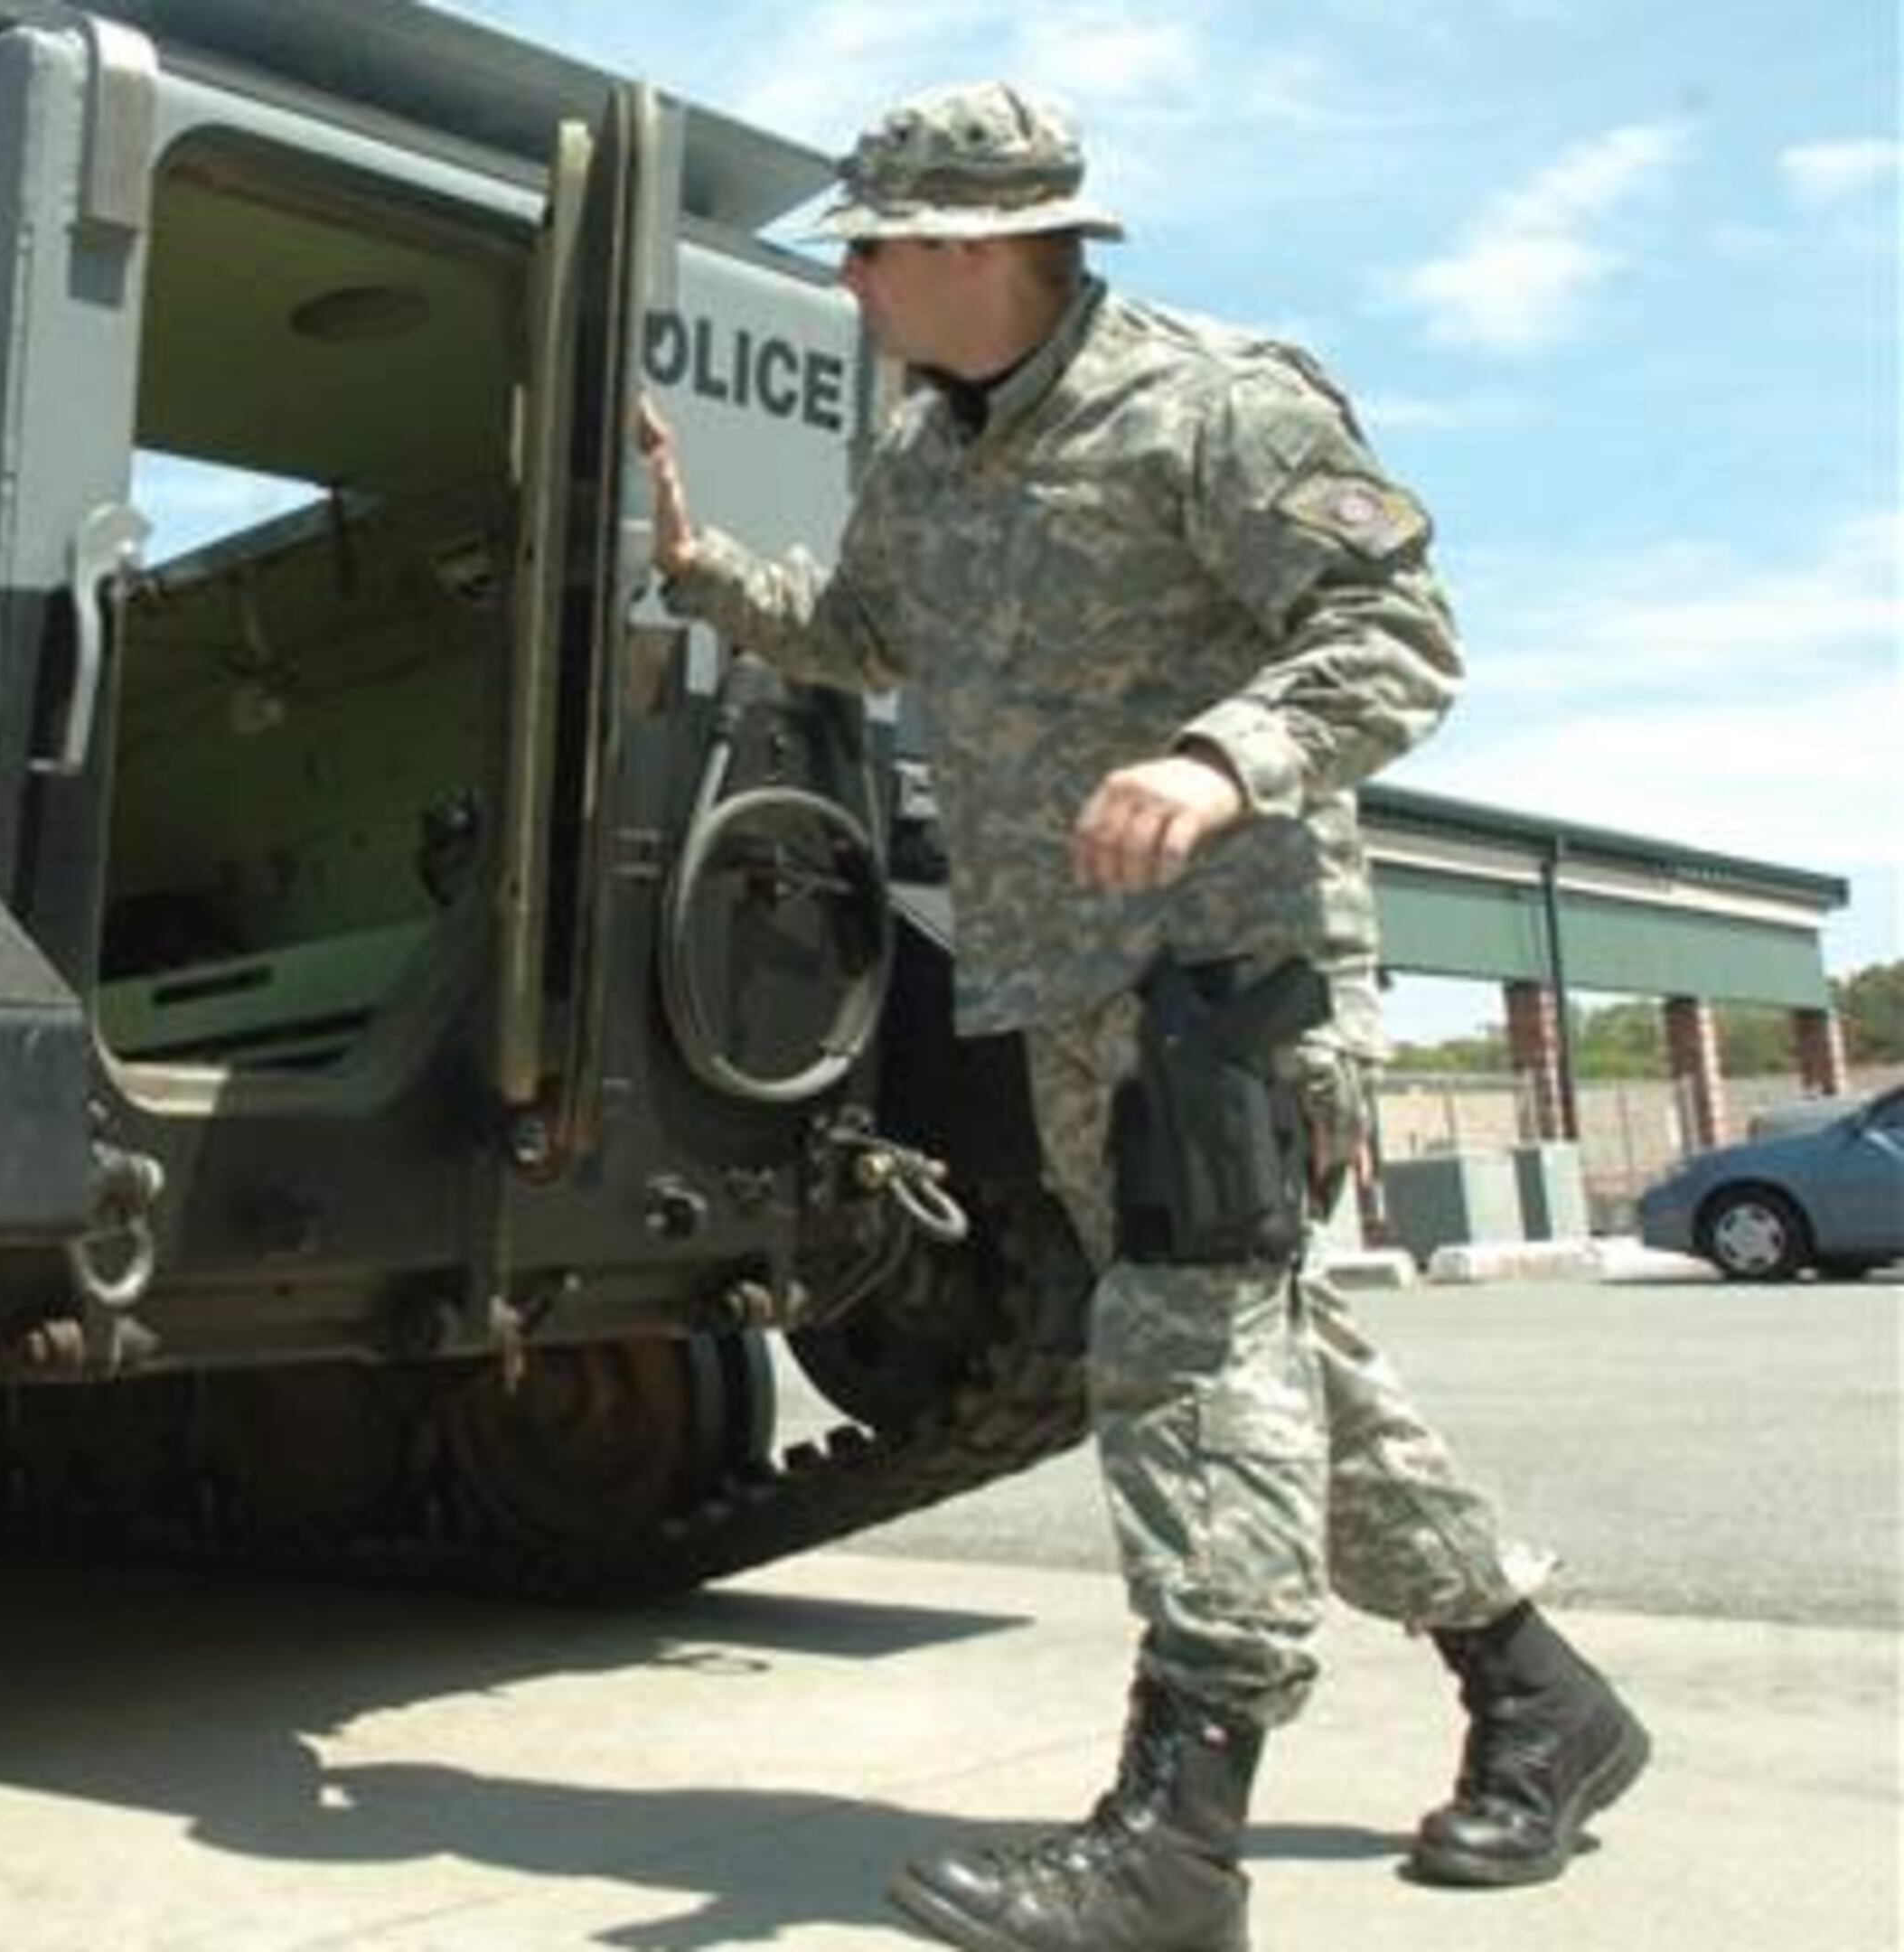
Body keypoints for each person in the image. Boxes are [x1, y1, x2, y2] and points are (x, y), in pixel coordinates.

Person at [635, 81, 1649, 1952]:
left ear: (977, 248)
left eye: (872, 247)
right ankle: (1539, 1692)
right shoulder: (925, 456)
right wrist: (703, 568)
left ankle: (1179, 1838)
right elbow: (864, 635)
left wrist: (1221, 756)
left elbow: (1396, 634)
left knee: (1188, 1365)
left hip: (1227, 973)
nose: (849, 280)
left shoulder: (1215, 403)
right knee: (1272, 1363)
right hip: (1062, 978)